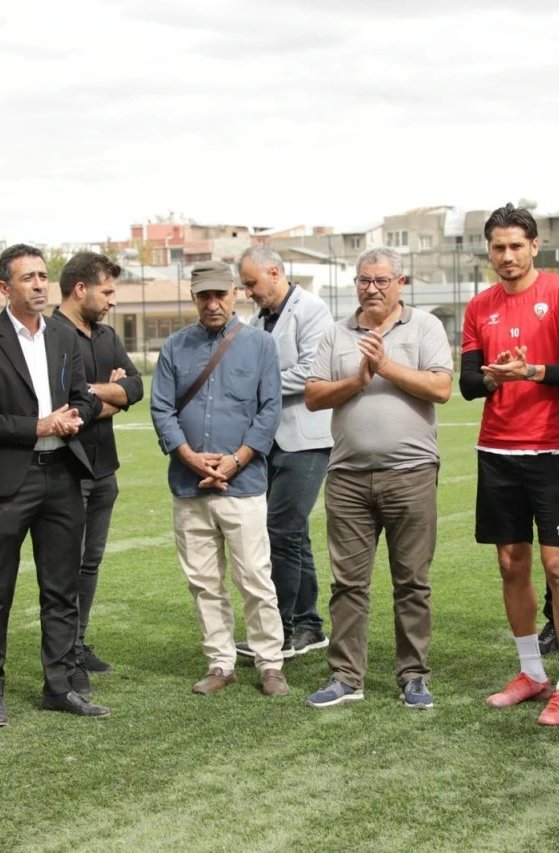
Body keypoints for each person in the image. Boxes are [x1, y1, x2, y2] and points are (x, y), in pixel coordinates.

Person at [0, 243, 103, 725]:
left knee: (60, 589)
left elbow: (84, 397)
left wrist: (76, 416)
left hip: (62, 474)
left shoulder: (63, 335)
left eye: (43, 275)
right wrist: (38, 426)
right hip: (6, 482)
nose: (40, 284)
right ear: (5, 287)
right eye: (28, 278)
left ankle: (58, 686)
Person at [303, 247, 452, 710]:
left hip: (411, 473)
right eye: (364, 280)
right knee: (348, 584)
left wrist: (385, 365)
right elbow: (313, 396)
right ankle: (346, 676)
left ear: (400, 283)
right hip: (347, 476)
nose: (372, 289)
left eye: (382, 280)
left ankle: (414, 676)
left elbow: (441, 387)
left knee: (412, 582)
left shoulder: (425, 326)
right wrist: (358, 379)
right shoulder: (335, 333)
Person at [458, 203, 559, 725]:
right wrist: (495, 377)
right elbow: (469, 384)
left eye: (516, 246)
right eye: (498, 247)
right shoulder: (479, 306)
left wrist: (531, 371)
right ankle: (532, 673)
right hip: (497, 450)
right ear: (489, 251)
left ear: (535, 246)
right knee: (511, 564)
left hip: (554, 450)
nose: (507, 256)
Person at [149, 261, 287, 697]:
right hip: (188, 485)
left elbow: (270, 409)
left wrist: (236, 461)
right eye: (204, 296)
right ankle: (220, 662)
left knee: (255, 579)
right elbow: (161, 408)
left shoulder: (261, 345)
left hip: (243, 485)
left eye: (220, 295)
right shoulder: (174, 346)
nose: (212, 304)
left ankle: (270, 663)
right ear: (193, 297)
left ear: (234, 294)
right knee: (204, 582)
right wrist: (189, 457)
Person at [238, 246, 333, 658]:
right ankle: (309, 625)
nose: (248, 292)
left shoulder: (312, 310)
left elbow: (313, 371)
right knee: (292, 532)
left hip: (307, 440)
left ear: (274, 272)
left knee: (281, 529)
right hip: (271, 441)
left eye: (251, 283)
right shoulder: (259, 319)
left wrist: (261, 385)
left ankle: (279, 630)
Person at [51, 251, 142, 675]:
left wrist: (94, 392)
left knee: (90, 563)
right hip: (65, 470)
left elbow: (136, 388)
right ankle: (62, 650)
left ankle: (77, 643)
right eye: (106, 292)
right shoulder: (49, 335)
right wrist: (110, 395)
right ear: (80, 289)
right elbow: (64, 405)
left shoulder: (106, 336)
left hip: (104, 468)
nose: (113, 300)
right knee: (65, 567)